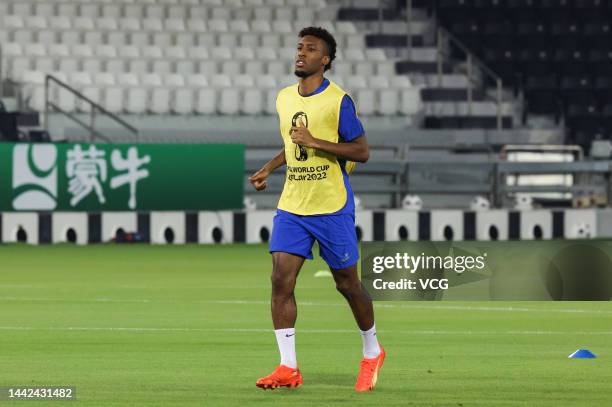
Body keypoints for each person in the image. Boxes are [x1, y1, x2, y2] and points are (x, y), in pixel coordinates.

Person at [249, 26, 385, 392]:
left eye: (310, 49)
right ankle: (287, 366)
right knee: (280, 279)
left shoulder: (338, 101)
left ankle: (372, 350)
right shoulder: (283, 98)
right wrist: (269, 167)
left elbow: (361, 151)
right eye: (299, 48)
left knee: (348, 284)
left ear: (325, 60)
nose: (301, 53)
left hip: (331, 206)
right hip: (293, 204)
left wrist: (316, 141)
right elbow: (294, 146)